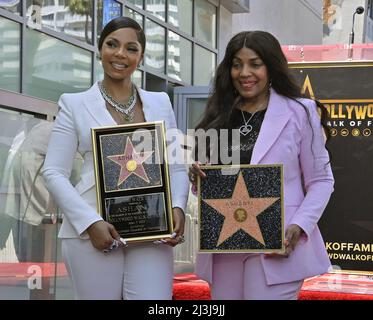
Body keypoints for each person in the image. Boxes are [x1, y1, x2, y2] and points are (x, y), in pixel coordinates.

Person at [42, 17, 189, 300]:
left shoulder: (160, 102)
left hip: (152, 231)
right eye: (112, 45)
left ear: (141, 57)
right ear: (99, 49)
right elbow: (53, 172)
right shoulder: (74, 103)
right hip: (92, 234)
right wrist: (89, 222)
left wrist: (178, 208)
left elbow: (176, 166)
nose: (120, 54)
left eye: (131, 48)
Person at [189, 31, 334, 300]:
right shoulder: (219, 115)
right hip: (225, 244)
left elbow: (321, 181)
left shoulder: (300, 112)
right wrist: (198, 177)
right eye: (237, 64)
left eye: (255, 63)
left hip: (278, 244)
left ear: (270, 66)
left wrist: (300, 226)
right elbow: (215, 183)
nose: (245, 72)